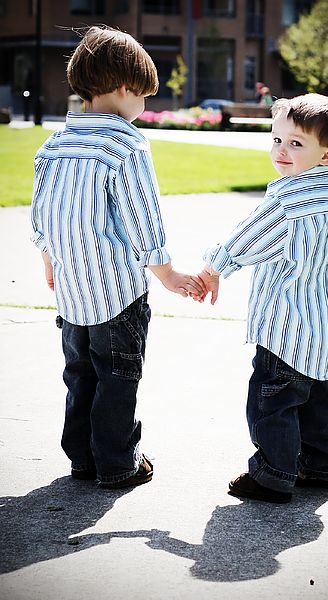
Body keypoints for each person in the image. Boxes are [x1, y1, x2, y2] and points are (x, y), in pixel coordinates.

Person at [30, 26, 205, 490]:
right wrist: (166, 273)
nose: (143, 106)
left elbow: (43, 210)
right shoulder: (126, 145)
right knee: (118, 376)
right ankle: (117, 462)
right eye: (144, 95)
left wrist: (48, 257)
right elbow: (142, 216)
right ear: (125, 87)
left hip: (71, 291)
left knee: (80, 375)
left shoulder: (53, 145)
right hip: (116, 292)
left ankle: (82, 457)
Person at [197, 93, 328, 504]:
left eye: (296, 143)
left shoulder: (289, 202)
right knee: (317, 401)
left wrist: (212, 269)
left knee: (273, 403)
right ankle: (321, 467)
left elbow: (245, 240)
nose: (282, 150)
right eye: (277, 140)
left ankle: (273, 473)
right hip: (325, 328)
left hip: (286, 328)